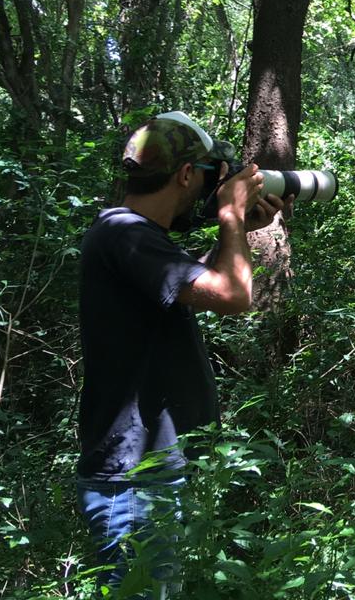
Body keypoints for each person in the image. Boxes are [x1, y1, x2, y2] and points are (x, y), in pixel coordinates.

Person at [74, 111, 285, 597]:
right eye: (208, 176)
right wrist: (229, 216)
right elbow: (233, 295)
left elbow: (197, 284)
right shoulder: (125, 233)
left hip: (146, 474)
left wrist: (239, 228)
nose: (209, 190)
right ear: (186, 174)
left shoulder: (133, 238)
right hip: (133, 480)